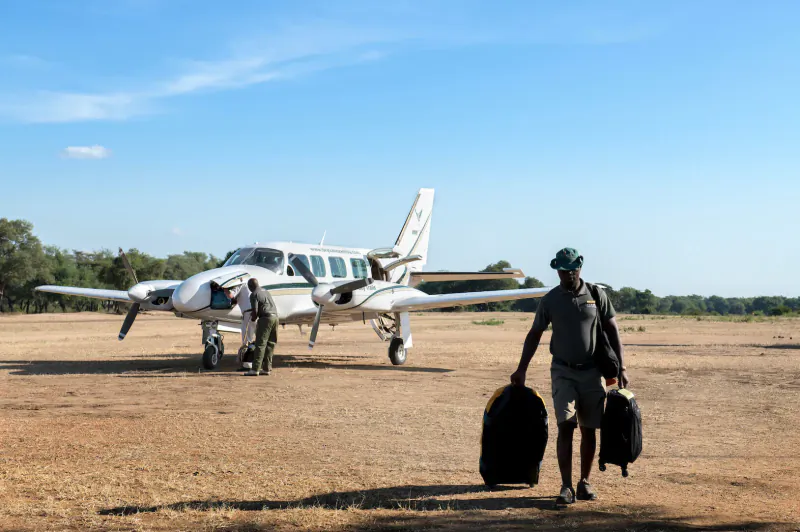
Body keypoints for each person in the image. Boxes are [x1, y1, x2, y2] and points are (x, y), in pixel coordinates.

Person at [510, 247, 628, 505]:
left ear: (580, 267)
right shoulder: (550, 300)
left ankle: (584, 482)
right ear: (558, 271)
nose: (567, 274)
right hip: (562, 371)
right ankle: (565, 486)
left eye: (572, 269)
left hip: (592, 372)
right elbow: (535, 334)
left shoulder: (596, 295)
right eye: (562, 271)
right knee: (566, 426)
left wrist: (621, 367)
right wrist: (522, 368)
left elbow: (612, 329)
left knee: (589, 429)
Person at [244, 278, 279, 376]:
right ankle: (267, 368)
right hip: (275, 318)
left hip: (265, 319)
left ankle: (255, 369)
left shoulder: (254, 294)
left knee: (260, 344)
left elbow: (254, 311)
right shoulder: (266, 291)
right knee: (270, 344)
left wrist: (252, 320)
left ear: (250, 287)